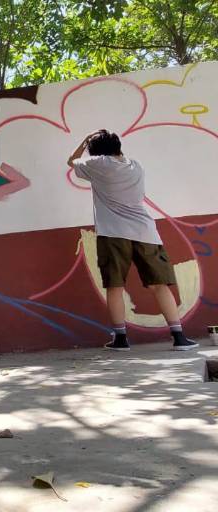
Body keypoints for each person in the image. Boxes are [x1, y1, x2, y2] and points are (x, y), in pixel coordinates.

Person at [67, 130, 199, 351]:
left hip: (113, 234)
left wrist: (84, 142)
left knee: (115, 286)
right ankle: (179, 337)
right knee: (160, 285)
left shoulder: (98, 166)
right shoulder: (136, 166)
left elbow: (71, 162)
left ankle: (120, 340)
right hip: (146, 232)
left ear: (96, 152)